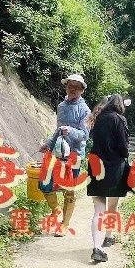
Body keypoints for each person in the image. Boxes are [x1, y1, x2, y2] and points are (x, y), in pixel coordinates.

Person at [40, 73, 91, 236]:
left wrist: (72, 131)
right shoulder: (61, 106)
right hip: (57, 152)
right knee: (44, 184)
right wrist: (48, 144)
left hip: (74, 155)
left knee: (69, 189)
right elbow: (58, 129)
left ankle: (65, 224)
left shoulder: (85, 110)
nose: (73, 89)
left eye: (77, 87)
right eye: (70, 86)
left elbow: (85, 135)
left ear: (82, 90)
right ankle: (56, 209)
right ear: (66, 87)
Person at [86, 93, 131, 263]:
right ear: (120, 105)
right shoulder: (119, 119)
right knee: (112, 206)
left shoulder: (97, 118)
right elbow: (123, 147)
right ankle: (109, 236)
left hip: (96, 166)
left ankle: (97, 247)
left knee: (99, 209)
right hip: (114, 169)